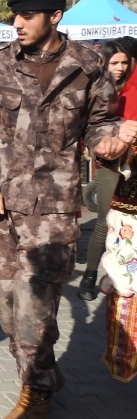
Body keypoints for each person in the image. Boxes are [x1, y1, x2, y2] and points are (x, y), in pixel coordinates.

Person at [0, 0, 137, 419]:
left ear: (55, 16)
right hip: (2, 210)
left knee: (34, 311)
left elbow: (101, 123)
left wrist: (111, 143)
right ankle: (41, 372)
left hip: (55, 212)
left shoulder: (89, 66)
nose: (17, 24)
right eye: (15, 15)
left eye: (27, 15)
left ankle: (35, 391)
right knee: (6, 309)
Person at [79, 40, 135, 300]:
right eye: (114, 62)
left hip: (134, 165)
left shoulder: (133, 89)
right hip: (111, 165)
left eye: (125, 62)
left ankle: (125, 275)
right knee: (105, 221)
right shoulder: (98, 90)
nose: (120, 67)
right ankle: (89, 275)